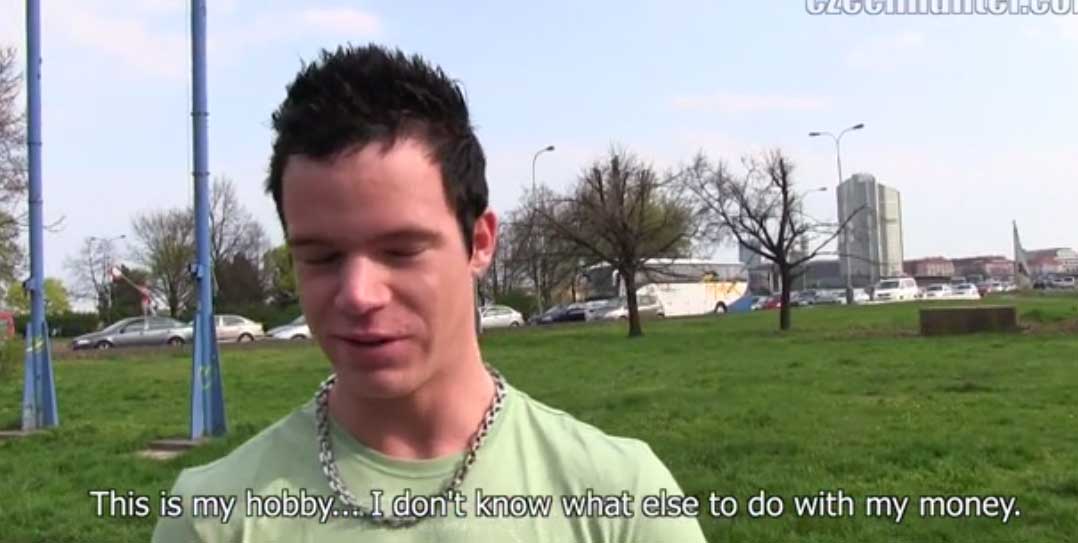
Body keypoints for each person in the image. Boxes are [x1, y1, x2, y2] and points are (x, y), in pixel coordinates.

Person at [152, 44, 707, 543]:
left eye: (401, 250)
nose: (359, 294)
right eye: (321, 257)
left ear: (479, 242)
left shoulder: (621, 502)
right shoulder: (213, 517)